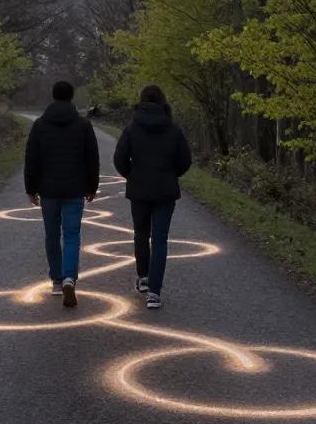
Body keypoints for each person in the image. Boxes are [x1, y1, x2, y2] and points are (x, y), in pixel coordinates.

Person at [112, 85, 192, 309]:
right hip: (165, 190)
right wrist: (171, 174)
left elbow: (119, 158)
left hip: (139, 190)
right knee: (160, 239)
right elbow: (185, 160)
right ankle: (155, 292)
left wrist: (131, 174)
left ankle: (143, 277)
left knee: (140, 234)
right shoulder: (173, 128)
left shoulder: (131, 127)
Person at [24, 81, 100, 307]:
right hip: (75, 188)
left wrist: (31, 188)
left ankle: (57, 281)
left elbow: (31, 159)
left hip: (48, 190)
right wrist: (92, 186)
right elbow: (92, 159)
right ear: (71, 96)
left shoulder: (39, 125)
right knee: (72, 235)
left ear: (53, 95)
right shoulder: (83, 125)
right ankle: (69, 277)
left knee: (51, 235)